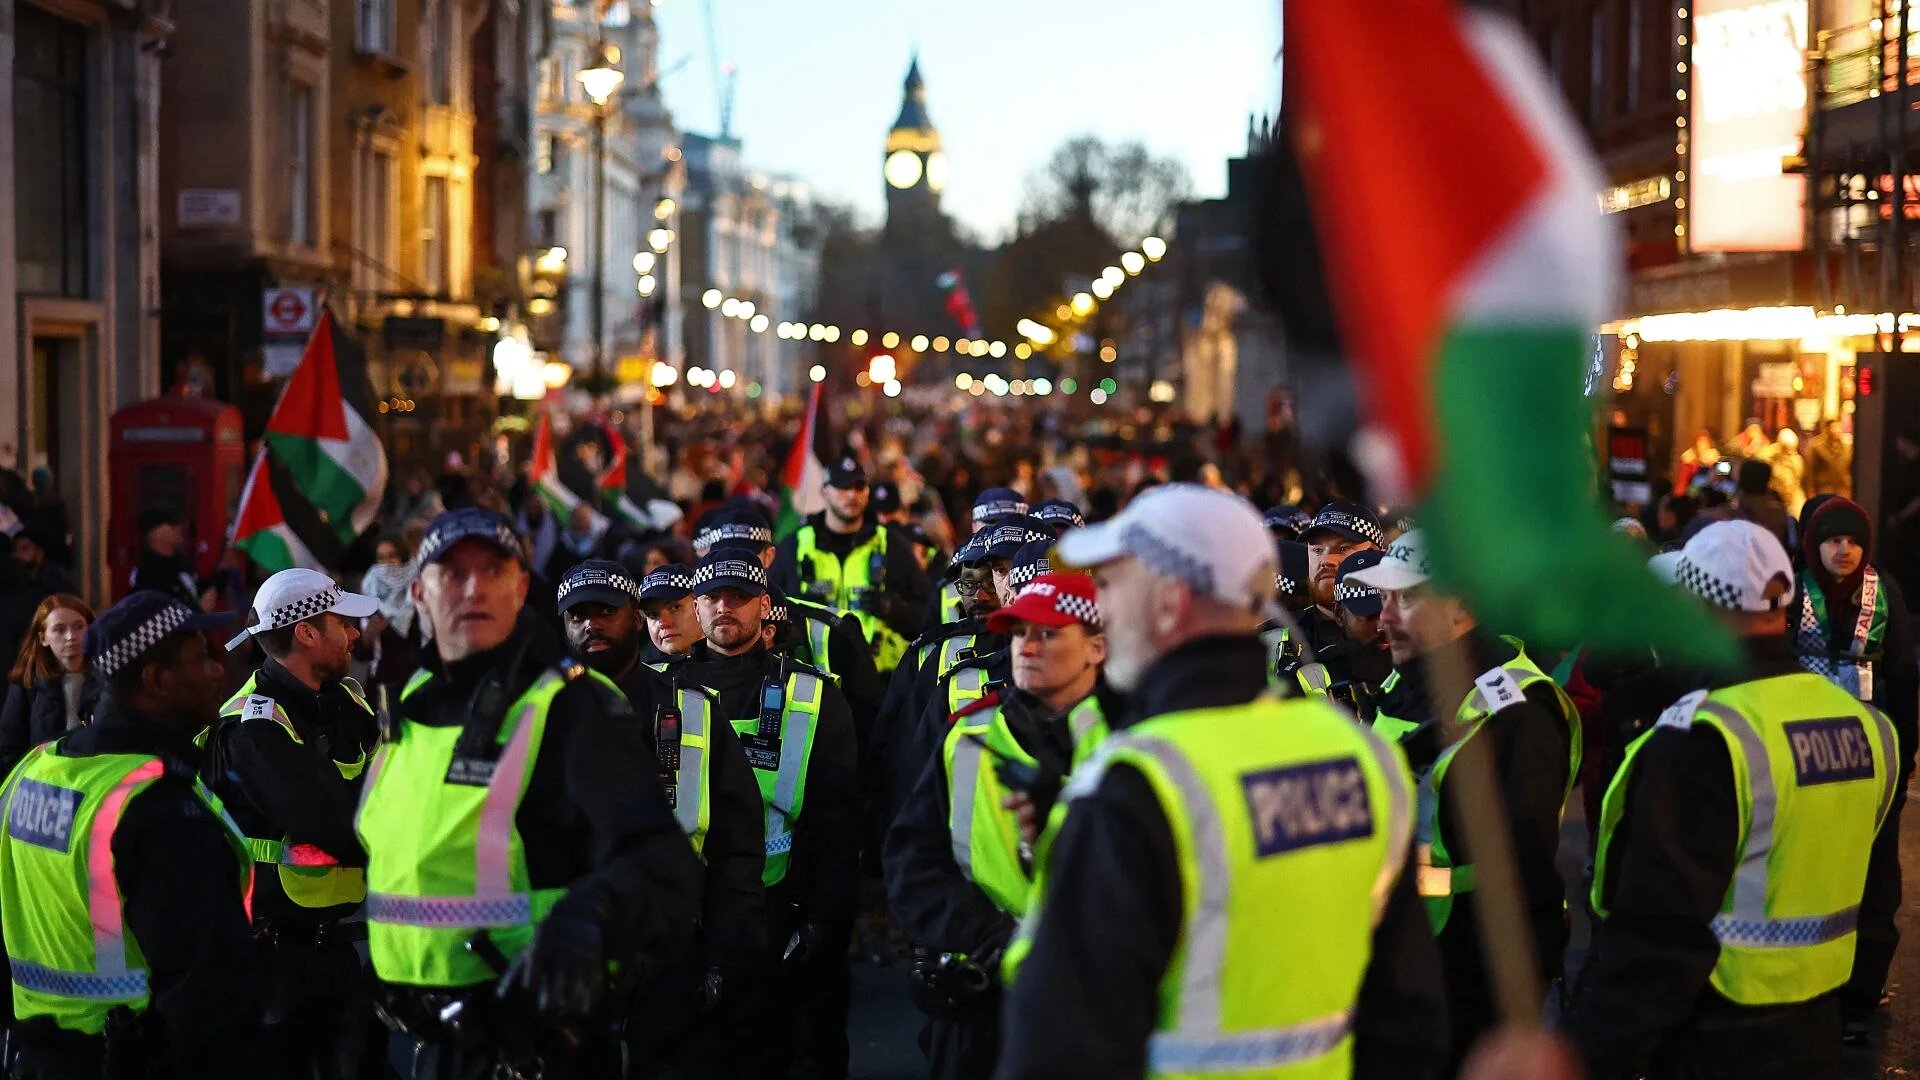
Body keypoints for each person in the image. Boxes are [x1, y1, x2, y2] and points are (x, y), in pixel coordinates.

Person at [997, 484, 1448, 1079]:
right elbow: (1409, 1019)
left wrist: (1085, 834)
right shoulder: (1361, 756)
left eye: (1109, 587)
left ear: (1169, 601)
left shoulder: (1136, 787)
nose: (1100, 609)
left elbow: (1059, 1046)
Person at [356, 507, 703, 1078]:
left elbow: (662, 864)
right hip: (427, 1041)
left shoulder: (569, 706)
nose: (474, 589)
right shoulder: (410, 701)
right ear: (419, 592)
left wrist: (585, 926)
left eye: (493, 570)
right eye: (453, 572)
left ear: (520, 588)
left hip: (533, 1045)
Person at [1569, 520, 1901, 1079]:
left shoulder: (1706, 735)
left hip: (1713, 1033)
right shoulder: (1867, 726)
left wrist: (1586, 1054)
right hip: (1819, 1027)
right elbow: (1876, 889)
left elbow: (1661, 930)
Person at [0, 591, 263, 1077]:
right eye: (201, 658)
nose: (216, 672)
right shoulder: (157, 806)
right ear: (156, 680)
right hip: (128, 1057)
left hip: (33, 1056)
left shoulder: (34, 770)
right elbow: (207, 998)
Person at [1346, 529, 1580, 1062]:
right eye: (1384, 598)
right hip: (1398, 960)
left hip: (1466, 981)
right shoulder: (1404, 681)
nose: (1384, 618)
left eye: (1406, 598)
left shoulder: (1518, 712)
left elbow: (1524, 873)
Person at [886, 572, 1112, 1079]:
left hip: (1098, 992)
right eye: (1017, 633)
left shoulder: (1137, 738)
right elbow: (913, 857)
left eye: (1047, 633)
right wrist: (989, 938)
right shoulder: (968, 732)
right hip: (984, 997)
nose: (1026, 647)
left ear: (1097, 647)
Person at [553, 559, 768, 1071]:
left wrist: (727, 948)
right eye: (577, 615)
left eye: (606, 611)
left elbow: (736, 841)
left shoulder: (692, 707)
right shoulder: (532, 715)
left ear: (633, 617)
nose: (591, 625)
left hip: (673, 952)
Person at [670, 549, 861, 1078]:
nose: (724, 607)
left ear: (763, 605)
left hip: (780, 908)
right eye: (711, 597)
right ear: (696, 607)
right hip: (685, 914)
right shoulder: (658, 689)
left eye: (739, 596)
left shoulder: (812, 693)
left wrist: (824, 920)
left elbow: (838, 824)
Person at [211, 568, 385, 1079]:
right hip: (276, 965)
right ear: (307, 632)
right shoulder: (253, 726)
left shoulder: (347, 699)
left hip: (341, 949)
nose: (355, 634)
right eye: (343, 623)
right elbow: (333, 821)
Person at [1787, 497, 1917, 1038]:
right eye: (1832, 540)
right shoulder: (1792, 592)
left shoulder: (1883, 594)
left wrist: (1905, 755)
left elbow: (1906, 673)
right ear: (1813, 544)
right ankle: (1807, 984)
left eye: (1853, 540)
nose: (1843, 550)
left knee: (1875, 871)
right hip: (1801, 755)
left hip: (1871, 758)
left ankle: (1860, 991)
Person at [778, 453, 931, 675]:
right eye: (842, 486)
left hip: (880, 681)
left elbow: (928, 615)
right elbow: (769, 612)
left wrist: (896, 609)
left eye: (859, 487)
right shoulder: (795, 546)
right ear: (824, 491)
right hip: (814, 678)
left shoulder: (890, 544)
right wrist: (799, 614)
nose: (852, 494)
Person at [1290, 547, 1393, 717]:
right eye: (1369, 614)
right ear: (1339, 614)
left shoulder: (1433, 668)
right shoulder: (1307, 679)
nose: (1383, 625)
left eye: (1390, 610)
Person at [1294, 500, 1386, 689]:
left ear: (1377, 554)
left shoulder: (1405, 633)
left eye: (1343, 549)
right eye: (1317, 550)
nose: (1326, 560)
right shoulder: (1276, 635)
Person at [0, 593, 93, 779]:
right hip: (43, 784)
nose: (71, 636)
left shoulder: (106, 680)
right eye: (59, 629)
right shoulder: (27, 683)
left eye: (79, 627)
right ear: (43, 638)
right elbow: (9, 747)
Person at [129, 506, 201, 607]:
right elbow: (157, 614)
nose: (179, 527)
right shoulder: (147, 573)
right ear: (154, 533)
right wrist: (199, 612)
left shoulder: (182, 563)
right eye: (171, 524)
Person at [639, 563, 701, 662]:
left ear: (699, 606)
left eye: (675, 607)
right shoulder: (640, 673)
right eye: (653, 614)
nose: (663, 623)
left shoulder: (731, 667)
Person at [1733, 459, 1794, 555]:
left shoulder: (1728, 515)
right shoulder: (1780, 514)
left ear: (1740, 479)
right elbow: (1791, 545)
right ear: (1767, 481)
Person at [11, 524, 79, 606]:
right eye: (16, 550)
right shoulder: (26, 574)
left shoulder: (54, 574)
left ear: (39, 550)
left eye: (24, 548)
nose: (18, 555)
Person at [1759, 428, 1807, 518]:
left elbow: (1798, 478)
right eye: (1786, 448)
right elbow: (1761, 463)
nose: (1789, 452)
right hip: (1774, 498)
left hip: (1792, 499)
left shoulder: (1797, 460)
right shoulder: (1770, 457)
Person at [1806, 419, 1852, 500]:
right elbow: (1810, 471)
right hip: (1825, 490)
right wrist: (1811, 491)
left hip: (1844, 491)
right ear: (1827, 429)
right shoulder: (1817, 447)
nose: (1837, 430)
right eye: (1834, 427)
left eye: (1839, 427)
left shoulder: (1847, 448)